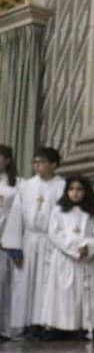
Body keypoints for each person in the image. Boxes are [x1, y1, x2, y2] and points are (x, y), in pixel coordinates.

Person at [0, 147, 65, 336]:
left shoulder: (62, 186)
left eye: (42, 162)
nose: (37, 165)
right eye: (35, 162)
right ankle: (28, 324)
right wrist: (14, 247)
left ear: (53, 164)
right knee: (25, 284)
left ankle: (48, 324)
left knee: (47, 284)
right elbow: (16, 215)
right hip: (30, 239)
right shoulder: (27, 186)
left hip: (51, 240)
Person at [38, 175, 94, 340]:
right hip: (65, 258)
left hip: (86, 259)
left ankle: (85, 326)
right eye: (71, 189)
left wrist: (88, 247)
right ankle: (59, 327)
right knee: (63, 293)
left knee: (84, 293)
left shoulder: (93, 212)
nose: (75, 193)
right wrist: (75, 249)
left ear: (86, 192)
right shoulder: (59, 210)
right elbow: (54, 233)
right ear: (66, 191)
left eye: (79, 189)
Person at [0, 145, 20, 338]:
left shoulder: (17, 185)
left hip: (6, 239)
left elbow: (17, 215)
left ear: (7, 160)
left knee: (5, 284)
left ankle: (5, 328)